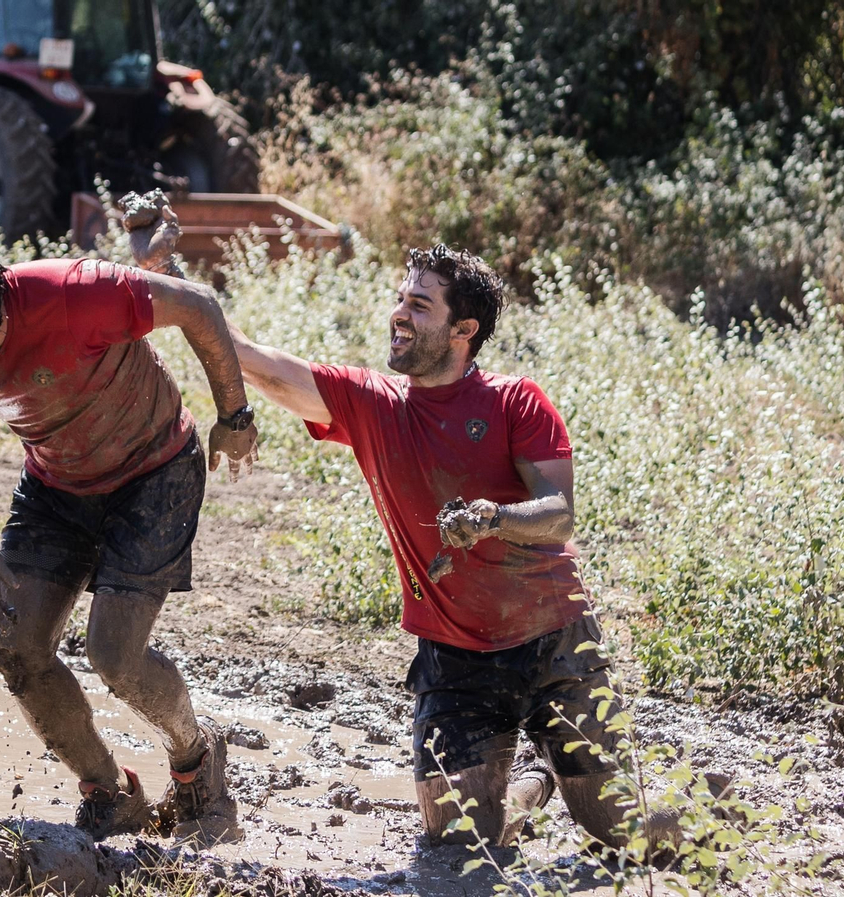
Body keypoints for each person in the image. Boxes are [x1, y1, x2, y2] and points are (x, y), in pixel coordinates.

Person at [119, 194, 666, 852]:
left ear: (464, 330)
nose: (398, 315)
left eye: (419, 306)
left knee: (622, 834)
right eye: (401, 299)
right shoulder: (372, 404)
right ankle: (529, 778)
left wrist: (493, 517)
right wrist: (163, 270)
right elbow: (248, 357)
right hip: (458, 650)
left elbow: (557, 515)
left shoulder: (517, 400)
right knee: (457, 834)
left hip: (552, 636)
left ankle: (699, 814)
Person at [0, 219, 256, 844]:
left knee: (114, 656)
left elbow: (198, 305)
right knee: (17, 646)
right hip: (57, 488)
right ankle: (110, 794)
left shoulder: (72, 291)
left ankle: (195, 759)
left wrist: (235, 414)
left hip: (155, 471)